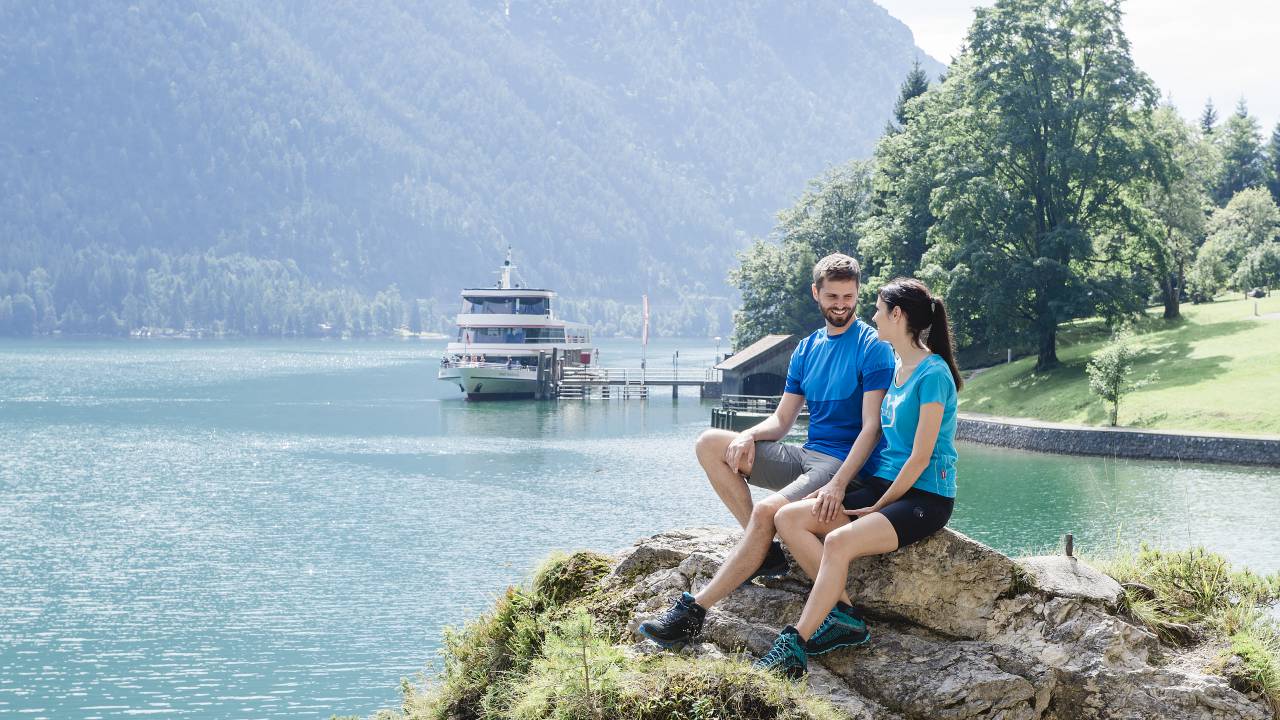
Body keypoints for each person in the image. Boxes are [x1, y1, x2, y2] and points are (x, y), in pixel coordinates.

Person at [636, 254, 895, 649]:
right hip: (807, 454)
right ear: (816, 294)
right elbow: (780, 421)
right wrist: (748, 437)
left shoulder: (872, 346)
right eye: (832, 296)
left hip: (842, 464)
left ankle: (694, 610)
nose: (841, 304)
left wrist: (839, 484)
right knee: (710, 443)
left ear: (858, 292)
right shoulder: (807, 349)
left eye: (849, 295)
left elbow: (872, 428)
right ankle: (766, 553)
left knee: (766, 510)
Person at [751, 277, 964, 679]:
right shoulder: (900, 368)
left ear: (897, 315)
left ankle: (793, 645)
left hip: (924, 496)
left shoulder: (933, 374)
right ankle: (845, 615)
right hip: (884, 485)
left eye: (879, 309)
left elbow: (919, 458)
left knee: (837, 540)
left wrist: (878, 506)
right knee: (788, 518)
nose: (873, 316)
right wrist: (856, 491)